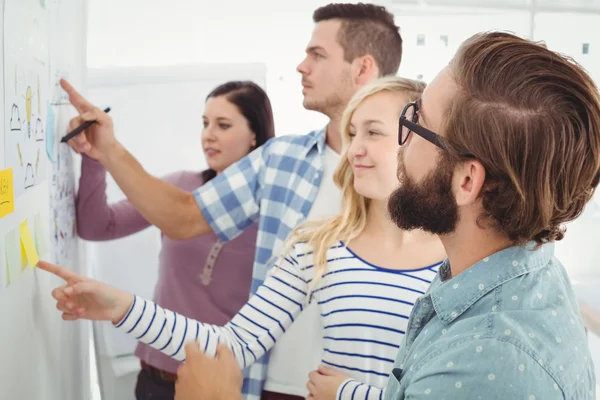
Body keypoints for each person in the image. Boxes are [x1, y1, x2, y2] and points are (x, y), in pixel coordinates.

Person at [59, 3, 403, 399]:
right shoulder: (282, 162)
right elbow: (184, 217)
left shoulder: (426, 195)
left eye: (317, 54)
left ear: (363, 68)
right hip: (271, 387)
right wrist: (109, 151)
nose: (301, 66)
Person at [384, 31, 599, 398]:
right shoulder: (530, 268)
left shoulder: (479, 368)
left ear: (466, 180)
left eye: (418, 118)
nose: (402, 136)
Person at [75, 81, 274, 400]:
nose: (208, 134)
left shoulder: (275, 213)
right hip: (155, 378)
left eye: (223, 125)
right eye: (205, 123)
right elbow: (97, 226)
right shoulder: (181, 191)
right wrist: (94, 157)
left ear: (255, 136)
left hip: (219, 387)